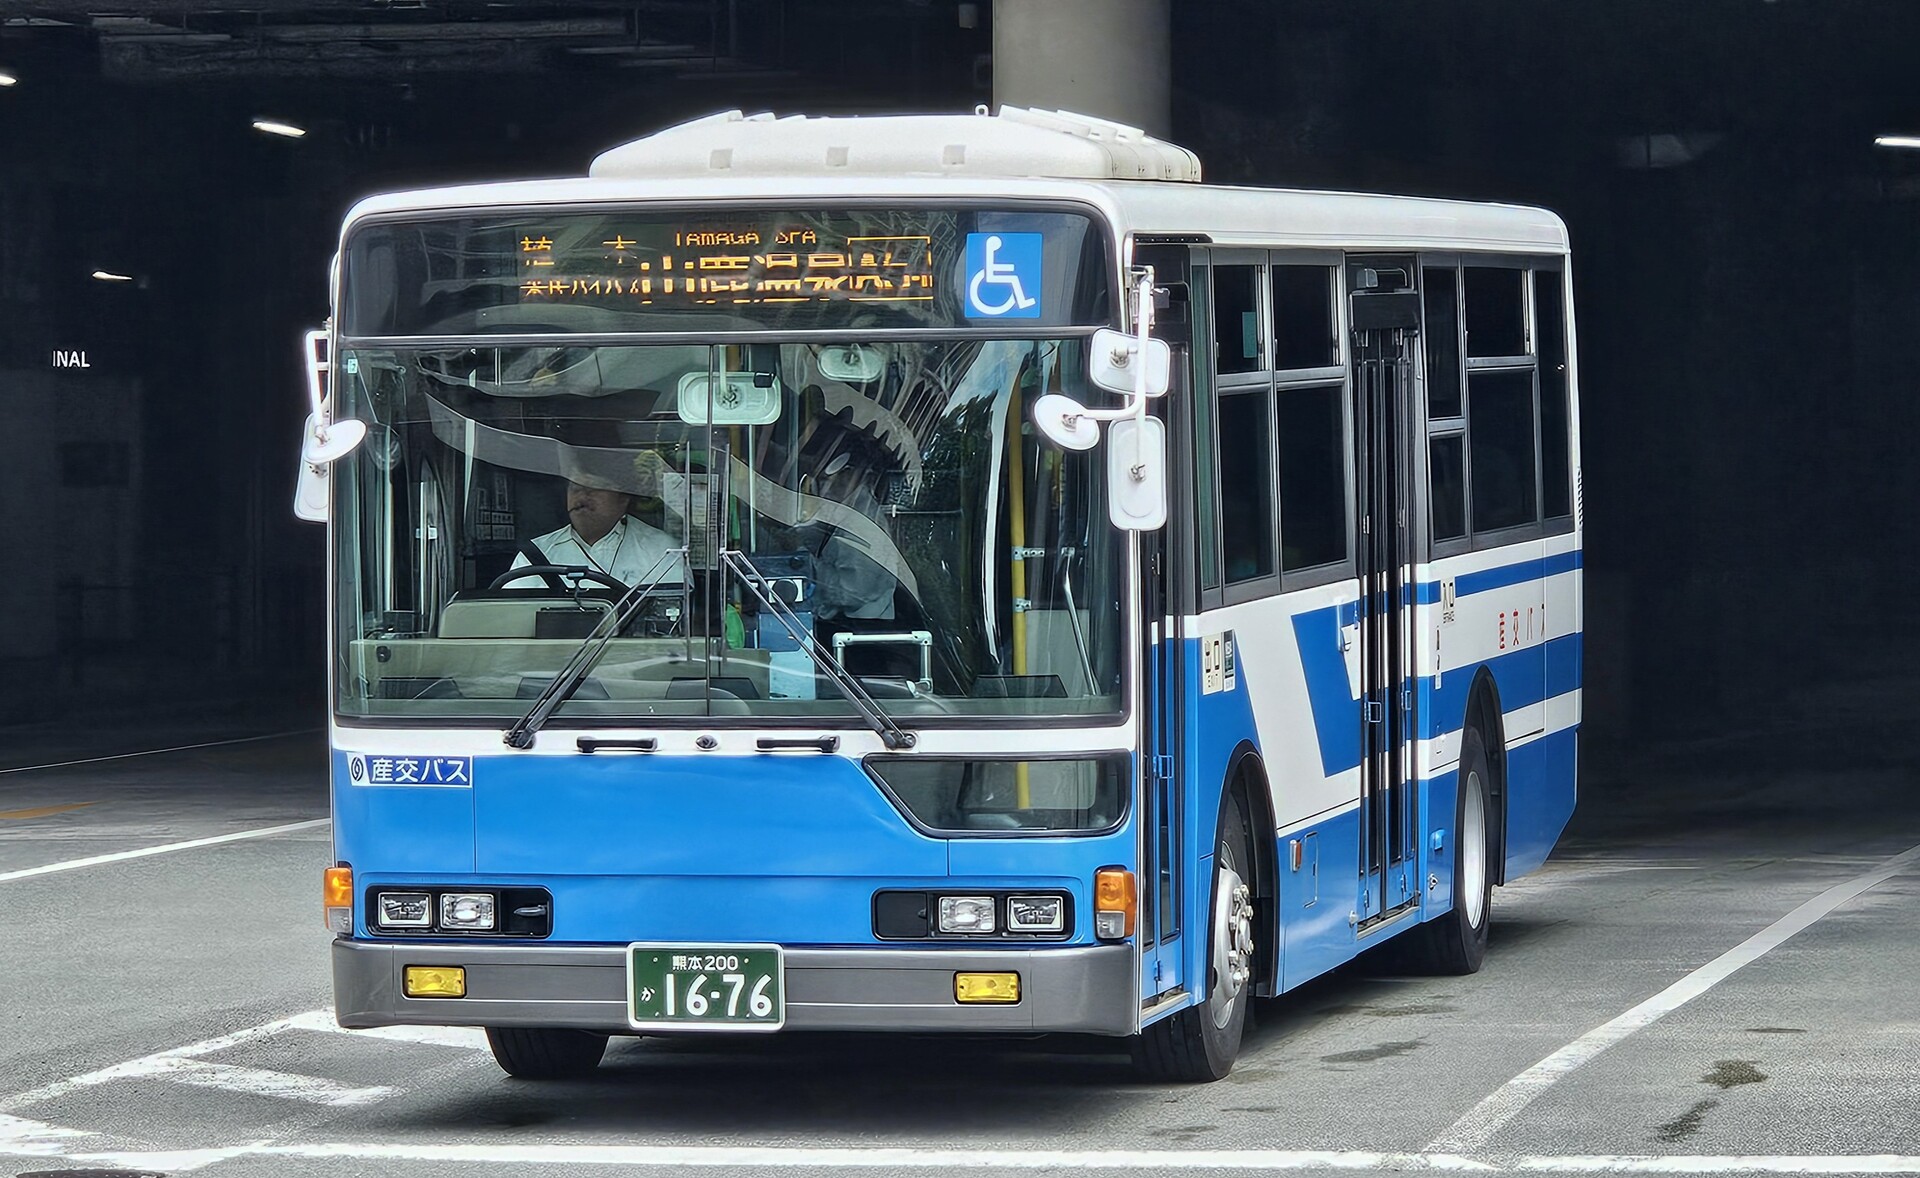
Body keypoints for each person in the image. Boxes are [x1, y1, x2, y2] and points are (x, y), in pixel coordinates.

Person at [504, 477, 685, 589]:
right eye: (575, 488)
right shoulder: (534, 554)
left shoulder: (660, 549)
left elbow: (672, 617)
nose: (582, 496)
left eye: (595, 487)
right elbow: (512, 618)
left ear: (623, 498)